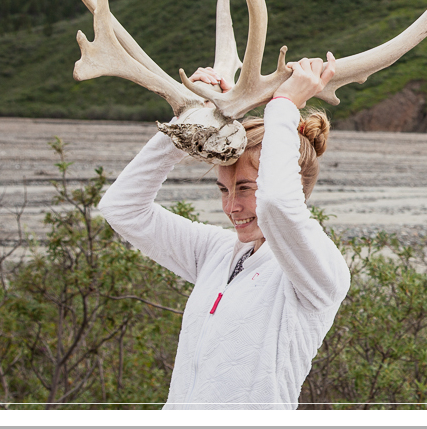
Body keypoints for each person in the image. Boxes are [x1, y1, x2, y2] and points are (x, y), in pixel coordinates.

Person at [99, 54, 350, 409]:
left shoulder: (320, 272)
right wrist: (193, 120)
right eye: (223, 189)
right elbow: (122, 207)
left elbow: (278, 205)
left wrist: (284, 105)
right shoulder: (216, 252)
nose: (231, 207)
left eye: (245, 188)